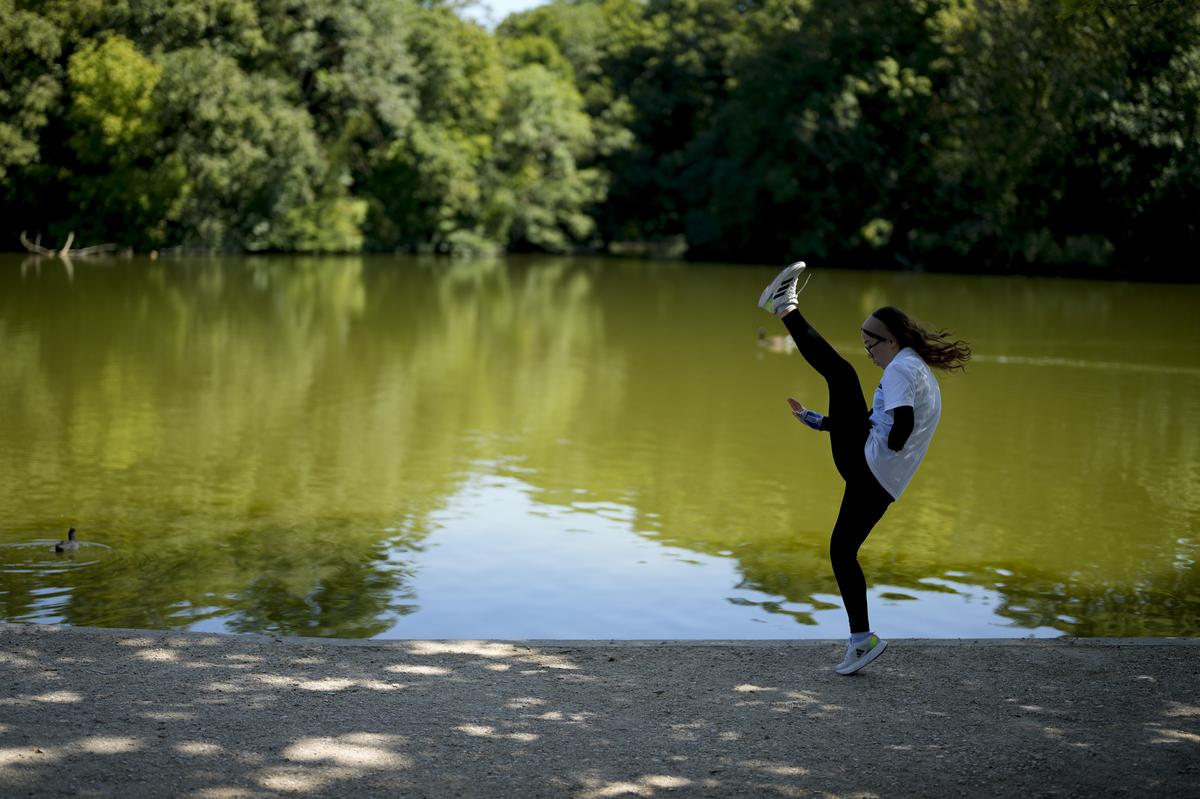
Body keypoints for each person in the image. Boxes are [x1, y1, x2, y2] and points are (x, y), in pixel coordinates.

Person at [757, 261, 971, 675]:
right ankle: (862, 641)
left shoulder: (900, 371)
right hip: (882, 483)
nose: (870, 353)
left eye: (871, 344)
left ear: (889, 341)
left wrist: (888, 444)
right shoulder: (915, 370)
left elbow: (899, 425)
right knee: (842, 551)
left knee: (841, 373)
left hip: (868, 466)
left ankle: (785, 306)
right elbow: (880, 421)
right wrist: (821, 422)